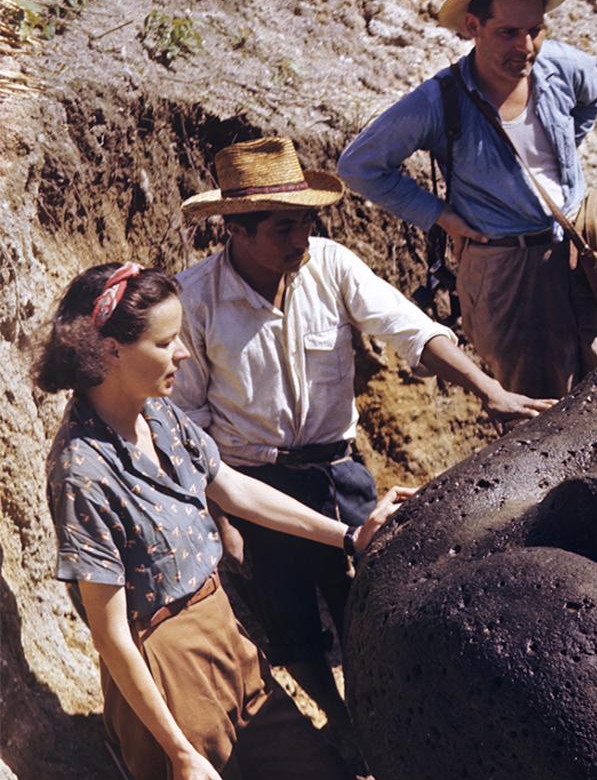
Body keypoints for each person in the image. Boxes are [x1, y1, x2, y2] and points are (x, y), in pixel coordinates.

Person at [40, 262, 413, 780]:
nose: (183, 356)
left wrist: (349, 533)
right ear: (109, 350)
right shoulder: (82, 469)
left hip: (228, 640)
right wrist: (178, 752)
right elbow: (111, 635)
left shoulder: (161, 416)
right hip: (166, 671)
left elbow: (233, 491)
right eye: (168, 342)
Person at [175, 135, 551, 727]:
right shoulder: (193, 300)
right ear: (236, 229)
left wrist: (491, 392)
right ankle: (336, 720)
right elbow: (188, 420)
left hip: (338, 472)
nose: (301, 239)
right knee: (290, 619)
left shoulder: (330, 264)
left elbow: (410, 329)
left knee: (370, 600)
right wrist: (221, 518)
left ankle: (383, 718)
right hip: (254, 483)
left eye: (307, 223)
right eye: (283, 228)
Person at [337, 0, 597, 400]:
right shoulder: (440, 100)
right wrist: (439, 214)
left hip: (581, 252)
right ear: (473, 27)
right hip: (506, 272)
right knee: (540, 411)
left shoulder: (561, 65)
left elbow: (593, 92)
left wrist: (564, 169)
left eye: (535, 31)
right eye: (509, 32)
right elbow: (360, 166)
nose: (526, 47)